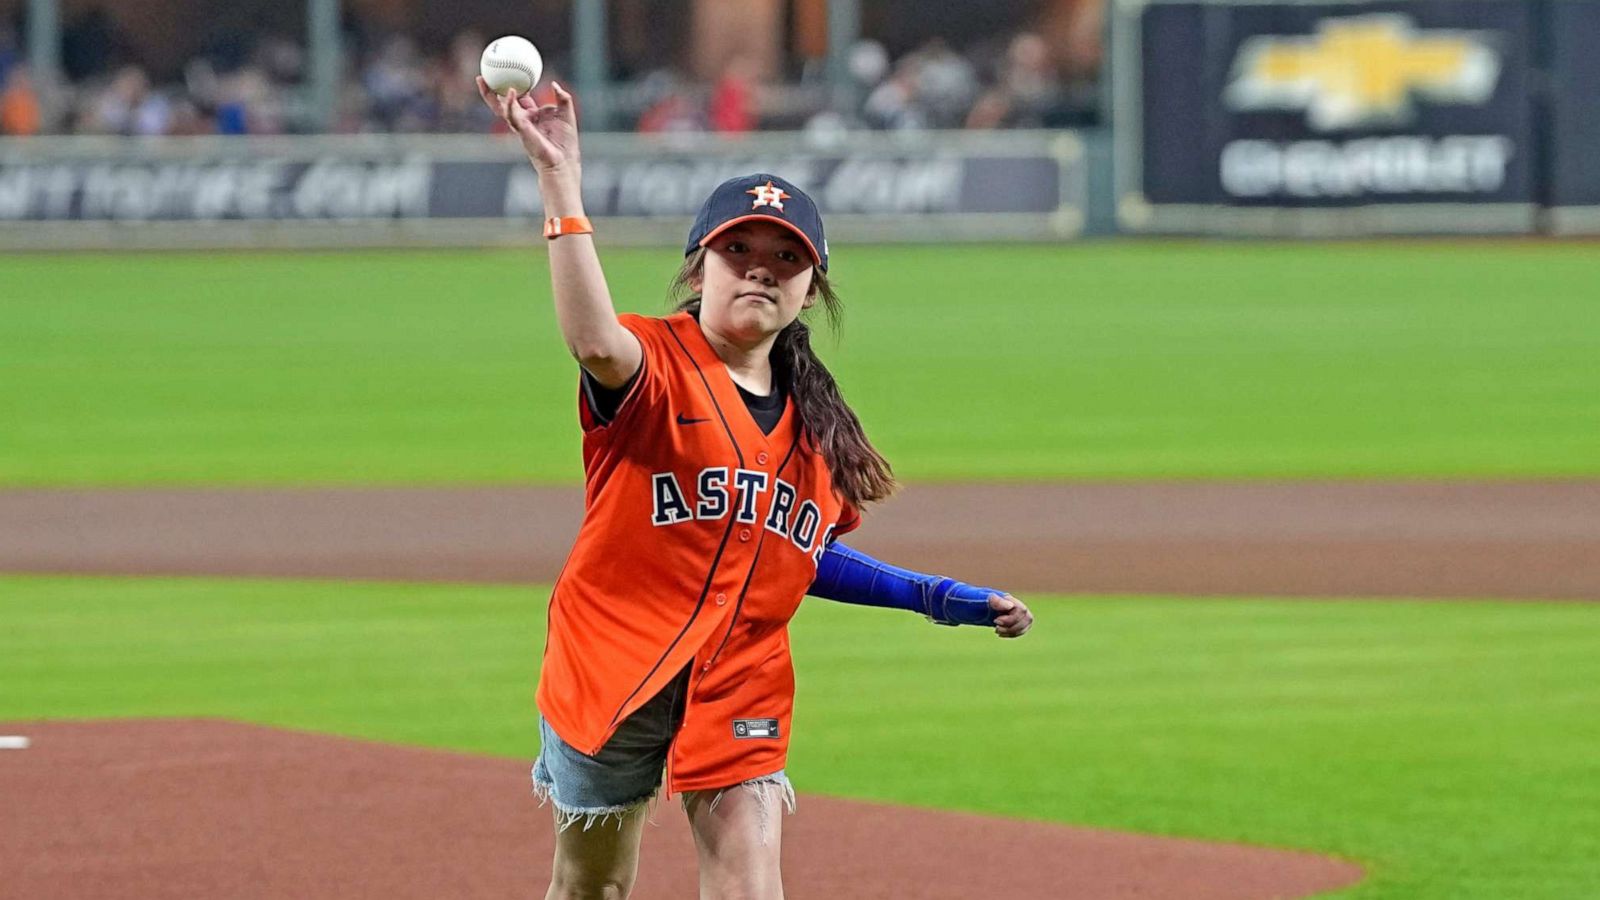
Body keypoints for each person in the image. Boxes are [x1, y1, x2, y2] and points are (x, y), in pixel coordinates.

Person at [476, 75, 1034, 900]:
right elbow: (593, 341)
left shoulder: (815, 429)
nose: (760, 272)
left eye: (786, 259)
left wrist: (936, 596)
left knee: (750, 883)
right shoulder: (650, 362)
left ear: (812, 288)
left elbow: (801, 556)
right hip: (611, 665)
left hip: (740, 679)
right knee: (592, 887)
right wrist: (560, 183)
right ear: (699, 268)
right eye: (738, 252)